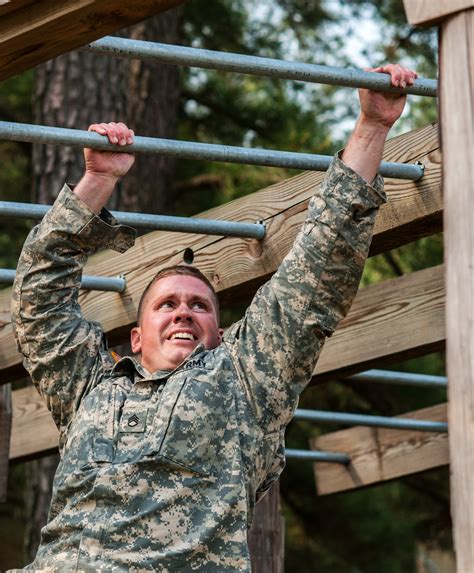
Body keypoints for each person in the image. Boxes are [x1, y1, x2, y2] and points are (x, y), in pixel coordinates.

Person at [11, 64, 417, 572]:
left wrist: (371, 128)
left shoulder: (244, 380)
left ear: (219, 334)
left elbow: (319, 270)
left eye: (199, 305)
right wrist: (97, 179)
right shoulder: (88, 388)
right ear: (135, 338)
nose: (184, 311)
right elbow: (37, 303)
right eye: (167, 304)